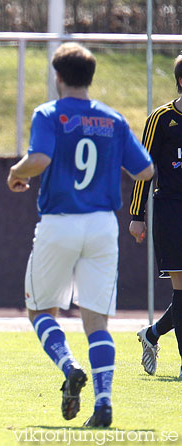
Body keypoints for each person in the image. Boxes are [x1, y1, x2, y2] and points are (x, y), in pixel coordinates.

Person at [7, 42, 154, 427]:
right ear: (90, 77)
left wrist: (16, 173)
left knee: (40, 310)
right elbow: (145, 171)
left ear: (58, 76)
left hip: (60, 221)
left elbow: (39, 159)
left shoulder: (49, 113)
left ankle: (69, 366)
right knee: (97, 323)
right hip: (103, 225)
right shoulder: (114, 119)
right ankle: (103, 404)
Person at [130, 53, 182, 380]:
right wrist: (137, 214)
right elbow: (144, 169)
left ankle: (152, 334)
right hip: (171, 210)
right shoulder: (161, 119)